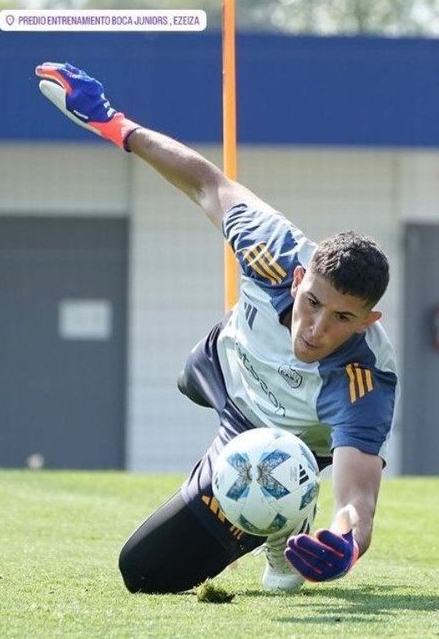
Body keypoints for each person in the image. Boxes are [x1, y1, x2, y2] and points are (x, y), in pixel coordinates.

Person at [35, 61, 399, 592]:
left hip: (275, 442)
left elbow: (357, 496)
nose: (316, 329)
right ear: (298, 277)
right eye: (312, 302)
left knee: (145, 571)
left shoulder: (363, 380)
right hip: (224, 367)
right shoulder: (270, 249)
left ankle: (287, 513)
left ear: (369, 321)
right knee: (188, 377)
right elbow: (206, 182)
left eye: (342, 318)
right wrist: (113, 122)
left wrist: (344, 542)